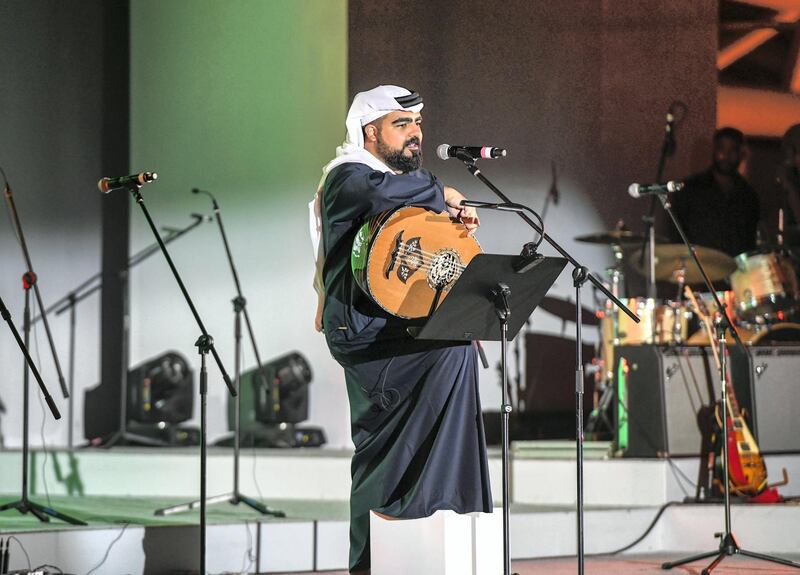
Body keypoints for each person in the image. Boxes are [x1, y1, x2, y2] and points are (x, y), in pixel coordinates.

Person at [309, 85, 492, 574]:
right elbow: (377, 195)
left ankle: (438, 522)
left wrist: (452, 225)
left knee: (456, 354)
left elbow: (409, 246)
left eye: (418, 124)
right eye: (402, 125)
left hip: (396, 328)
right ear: (371, 131)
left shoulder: (399, 184)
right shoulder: (348, 175)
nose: (416, 134)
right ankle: (372, 561)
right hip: (363, 334)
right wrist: (445, 193)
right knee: (384, 446)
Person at [668, 127, 760, 257]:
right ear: (714, 150)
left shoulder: (748, 195)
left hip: (735, 270)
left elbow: (750, 240)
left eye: (732, 150)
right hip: (698, 268)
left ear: (740, 153)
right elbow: (676, 233)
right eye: (721, 149)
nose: (726, 156)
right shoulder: (690, 189)